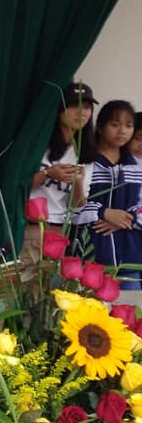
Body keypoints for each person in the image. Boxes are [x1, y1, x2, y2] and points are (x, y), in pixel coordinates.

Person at [23, 82, 97, 263]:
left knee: (50, 279)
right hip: (29, 225)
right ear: (59, 110)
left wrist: (78, 182)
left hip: (59, 228)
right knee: (24, 277)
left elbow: (77, 205)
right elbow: (18, 186)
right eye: (74, 105)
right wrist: (48, 173)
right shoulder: (39, 145)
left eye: (87, 107)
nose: (82, 112)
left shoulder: (85, 152)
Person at [76, 100, 142, 290]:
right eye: (114, 124)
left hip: (130, 259)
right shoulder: (86, 162)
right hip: (92, 256)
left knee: (130, 306)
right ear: (99, 127)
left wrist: (126, 219)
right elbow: (73, 208)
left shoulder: (136, 165)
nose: (122, 131)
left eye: (128, 126)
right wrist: (104, 213)